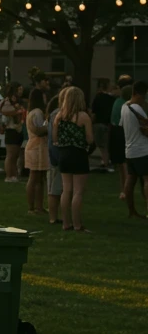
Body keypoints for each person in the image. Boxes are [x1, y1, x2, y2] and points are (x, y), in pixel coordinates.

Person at [53, 86, 93, 231]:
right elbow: (89, 139)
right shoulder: (83, 116)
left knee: (66, 190)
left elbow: (55, 137)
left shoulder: (59, 116)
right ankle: (77, 224)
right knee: (78, 191)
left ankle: (66, 223)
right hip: (78, 154)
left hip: (64, 154)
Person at [122, 81, 148, 218]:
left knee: (130, 180)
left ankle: (132, 211)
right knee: (147, 179)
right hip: (142, 149)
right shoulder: (137, 108)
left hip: (130, 150)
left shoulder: (124, 106)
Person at [23, 88, 50, 215]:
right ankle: (31, 207)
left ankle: (39, 207)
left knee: (40, 178)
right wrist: (49, 126)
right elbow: (40, 129)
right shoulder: (38, 112)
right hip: (37, 147)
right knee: (34, 177)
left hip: (35, 146)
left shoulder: (30, 112)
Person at [110, 76, 133, 199]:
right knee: (124, 165)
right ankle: (125, 190)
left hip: (117, 133)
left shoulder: (118, 102)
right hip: (123, 133)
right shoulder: (125, 104)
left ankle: (124, 189)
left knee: (122, 165)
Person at [0, 83, 25, 182]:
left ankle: (14, 175)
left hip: (17, 130)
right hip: (11, 130)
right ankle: (9, 176)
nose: (21, 91)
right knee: (10, 155)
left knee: (15, 155)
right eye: (19, 89)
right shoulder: (7, 103)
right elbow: (5, 115)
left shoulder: (18, 102)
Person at [46, 94, 64, 226]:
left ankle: (55, 217)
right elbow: (54, 140)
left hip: (53, 156)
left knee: (55, 189)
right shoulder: (58, 115)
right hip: (56, 156)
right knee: (55, 190)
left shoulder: (53, 114)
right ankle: (53, 217)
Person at [92, 78, 116, 171]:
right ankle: (106, 161)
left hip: (98, 123)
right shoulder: (112, 99)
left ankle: (105, 162)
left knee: (101, 145)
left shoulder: (98, 98)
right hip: (108, 124)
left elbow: (94, 113)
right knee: (106, 144)